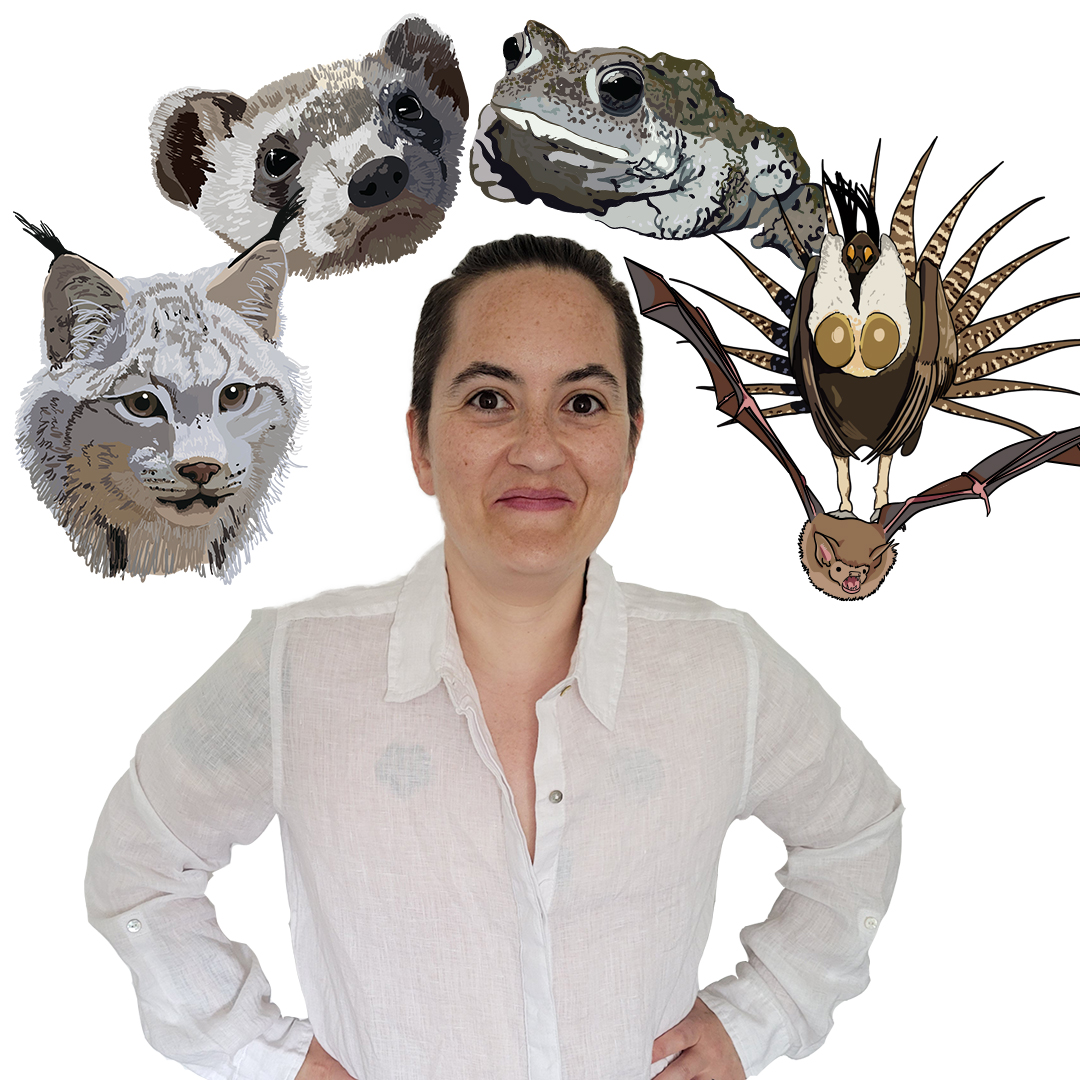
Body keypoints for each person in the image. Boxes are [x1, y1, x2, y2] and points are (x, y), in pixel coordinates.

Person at [86, 235, 902, 1080]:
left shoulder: (725, 669)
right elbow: (139, 869)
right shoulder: (298, 667)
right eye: (488, 399)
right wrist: (266, 1055)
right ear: (422, 446)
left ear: (631, 440)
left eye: (583, 404)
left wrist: (763, 1013)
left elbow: (858, 832)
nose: (539, 448)